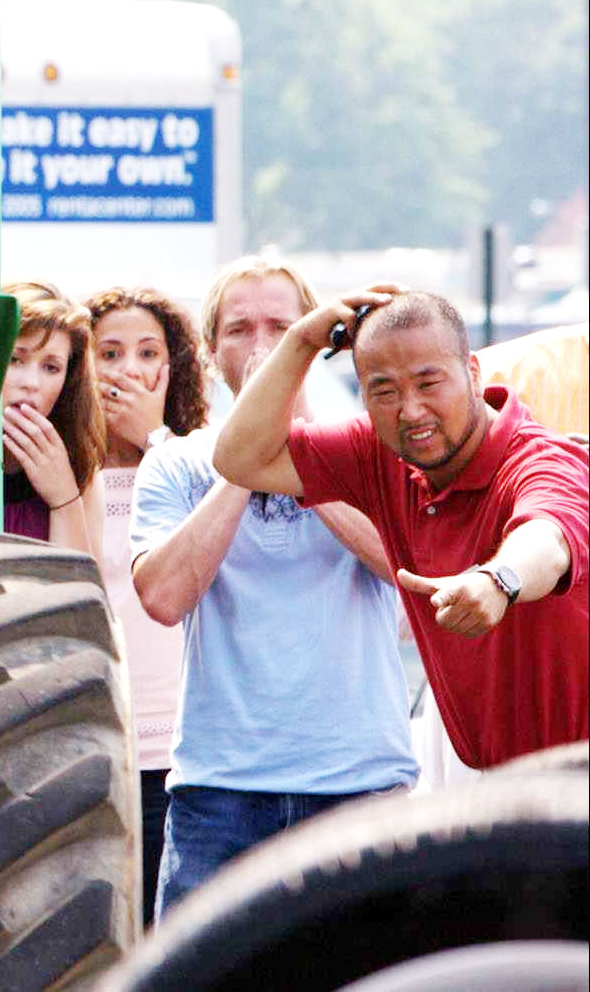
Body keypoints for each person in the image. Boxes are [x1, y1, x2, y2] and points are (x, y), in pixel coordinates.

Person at [130, 256, 415, 920]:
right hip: (220, 791)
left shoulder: (377, 450)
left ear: (318, 345)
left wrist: (303, 453)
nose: (262, 348)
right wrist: (246, 456)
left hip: (359, 784)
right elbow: (164, 596)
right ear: (208, 353)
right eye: (240, 330)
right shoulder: (175, 462)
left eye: (284, 329)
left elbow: (406, 569)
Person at [213, 285, 588, 771]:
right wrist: (302, 342)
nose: (410, 411)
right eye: (384, 391)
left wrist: (499, 581)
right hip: (503, 782)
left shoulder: (546, 461)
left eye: (429, 384)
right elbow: (239, 459)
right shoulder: (377, 452)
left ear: (473, 373)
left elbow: (548, 536)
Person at [85, 286, 205, 924]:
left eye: (145, 353)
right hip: (94, 745)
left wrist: (154, 437)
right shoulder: (63, 475)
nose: (127, 370)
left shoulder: (198, 463)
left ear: (171, 368)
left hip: (179, 756)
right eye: (109, 353)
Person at [0, 281, 103, 553]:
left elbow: (82, 589)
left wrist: (64, 499)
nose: (32, 383)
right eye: (15, 359)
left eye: (51, 367)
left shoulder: (80, 467)